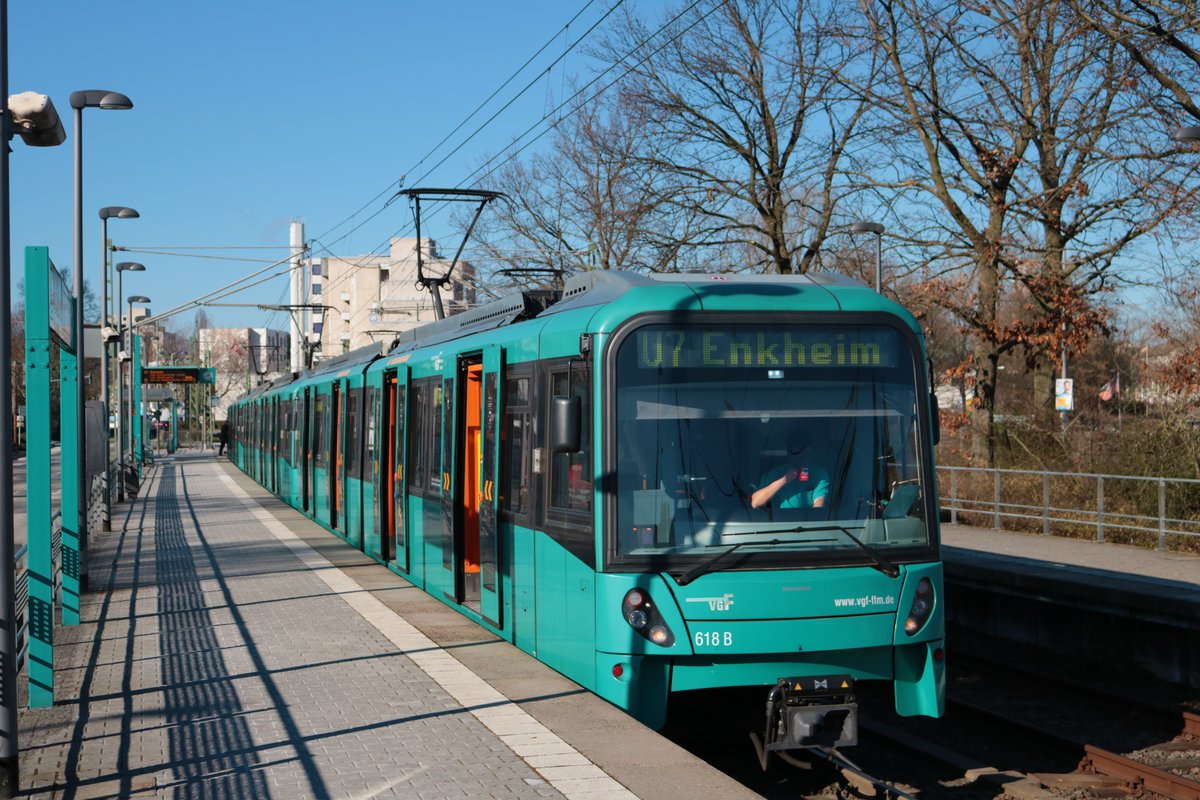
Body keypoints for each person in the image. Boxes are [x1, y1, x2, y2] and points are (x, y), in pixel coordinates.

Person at [750, 430, 829, 510]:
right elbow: (755, 502)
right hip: (781, 521)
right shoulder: (776, 474)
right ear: (789, 454)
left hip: (808, 521)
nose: (801, 456)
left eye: (805, 451)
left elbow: (819, 508)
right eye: (796, 451)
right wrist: (784, 480)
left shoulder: (819, 474)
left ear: (811, 453)